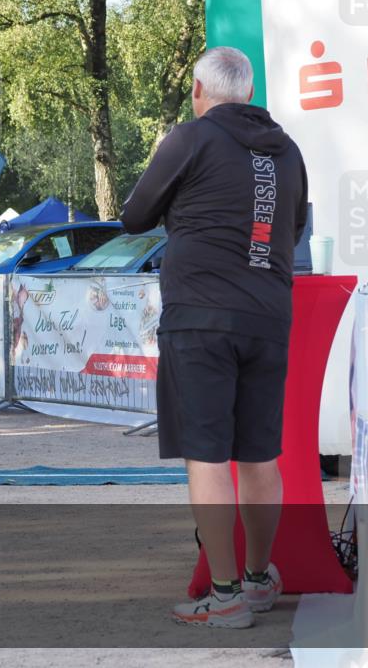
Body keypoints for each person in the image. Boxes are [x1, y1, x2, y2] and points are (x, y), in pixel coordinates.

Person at [121, 46, 308, 628]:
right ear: (248, 94)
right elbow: (295, 225)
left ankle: (224, 595)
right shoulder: (289, 151)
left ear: (201, 91)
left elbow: (134, 216)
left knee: (206, 454)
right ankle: (256, 581)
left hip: (200, 316)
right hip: (268, 314)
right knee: (258, 454)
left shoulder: (190, 138)